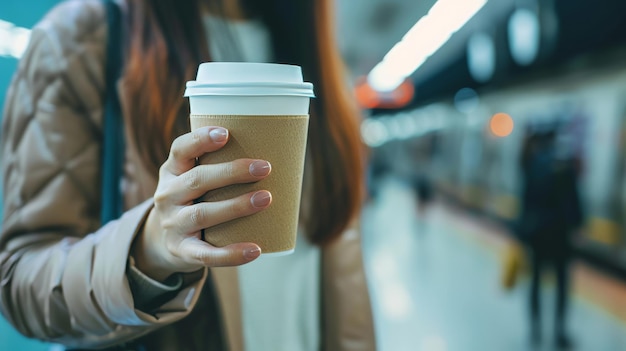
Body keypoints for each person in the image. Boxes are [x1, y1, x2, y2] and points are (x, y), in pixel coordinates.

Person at [0, 0, 375, 350]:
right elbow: (17, 282)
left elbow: (342, 278)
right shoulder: (81, 38)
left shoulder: (317, 53)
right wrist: (147, 249)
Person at [518, 125, 583, 350]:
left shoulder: (533, 164)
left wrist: (522, 230)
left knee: (535, 280)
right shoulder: (565, 165)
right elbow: (574, 199)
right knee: (562, 285)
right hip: (561, 235)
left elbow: (526, 200)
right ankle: (560, 331)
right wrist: (577, 225)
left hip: (537, 233)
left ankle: (535, 329)